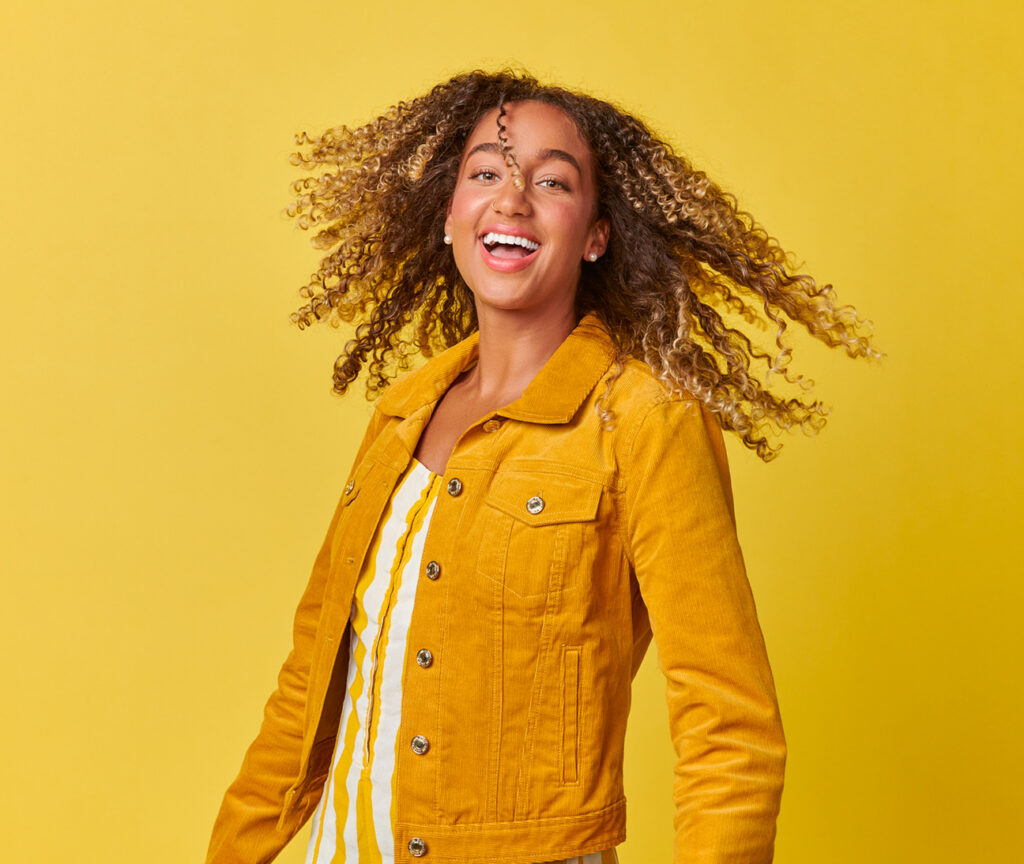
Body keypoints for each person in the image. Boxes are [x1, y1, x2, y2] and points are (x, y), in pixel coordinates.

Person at [204, 70, 878, 864]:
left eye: (553, 182)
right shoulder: (399, 416)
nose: (513, 200)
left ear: (596, 234)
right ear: (449, 216)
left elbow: (730, 727)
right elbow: (306, 689)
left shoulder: (644, 420)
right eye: (486, 173)